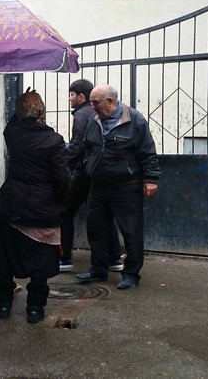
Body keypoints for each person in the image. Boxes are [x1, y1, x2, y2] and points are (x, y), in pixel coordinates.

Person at [0, 88, 70, 323]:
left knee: (6, 258)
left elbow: (12, 122)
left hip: (12, 205)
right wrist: (63, 200)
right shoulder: (53, 140)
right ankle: (34, 308)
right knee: (42, 262)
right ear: (42, 112)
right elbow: (61, 178)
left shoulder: (12, 134)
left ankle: (3, 305)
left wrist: (20, 106)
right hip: (42, 208)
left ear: (19, 112)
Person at [75, 83, 160, 290]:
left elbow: (147, 152)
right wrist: (88, 166)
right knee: (96, 228)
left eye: (95, 102)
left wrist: (151, 179)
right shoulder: (93, 120)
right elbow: (87, 148)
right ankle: (98, 269)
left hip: (126, 185)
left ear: (110, 102)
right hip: (98, 185)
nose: (91, 106)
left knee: (131, 231)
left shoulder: (135, 120)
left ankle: (131, 274)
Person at [60, 79, 124, 272]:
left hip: (83, 172)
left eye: (71, 95)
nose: (69, 99)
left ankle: (64, 259)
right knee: (105, 216)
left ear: (81, 96)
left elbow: (78, 146)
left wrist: (66, 164)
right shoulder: (97, 113)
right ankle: (114, 258)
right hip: (97, 171)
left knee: (66, 212)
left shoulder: (82, 115)